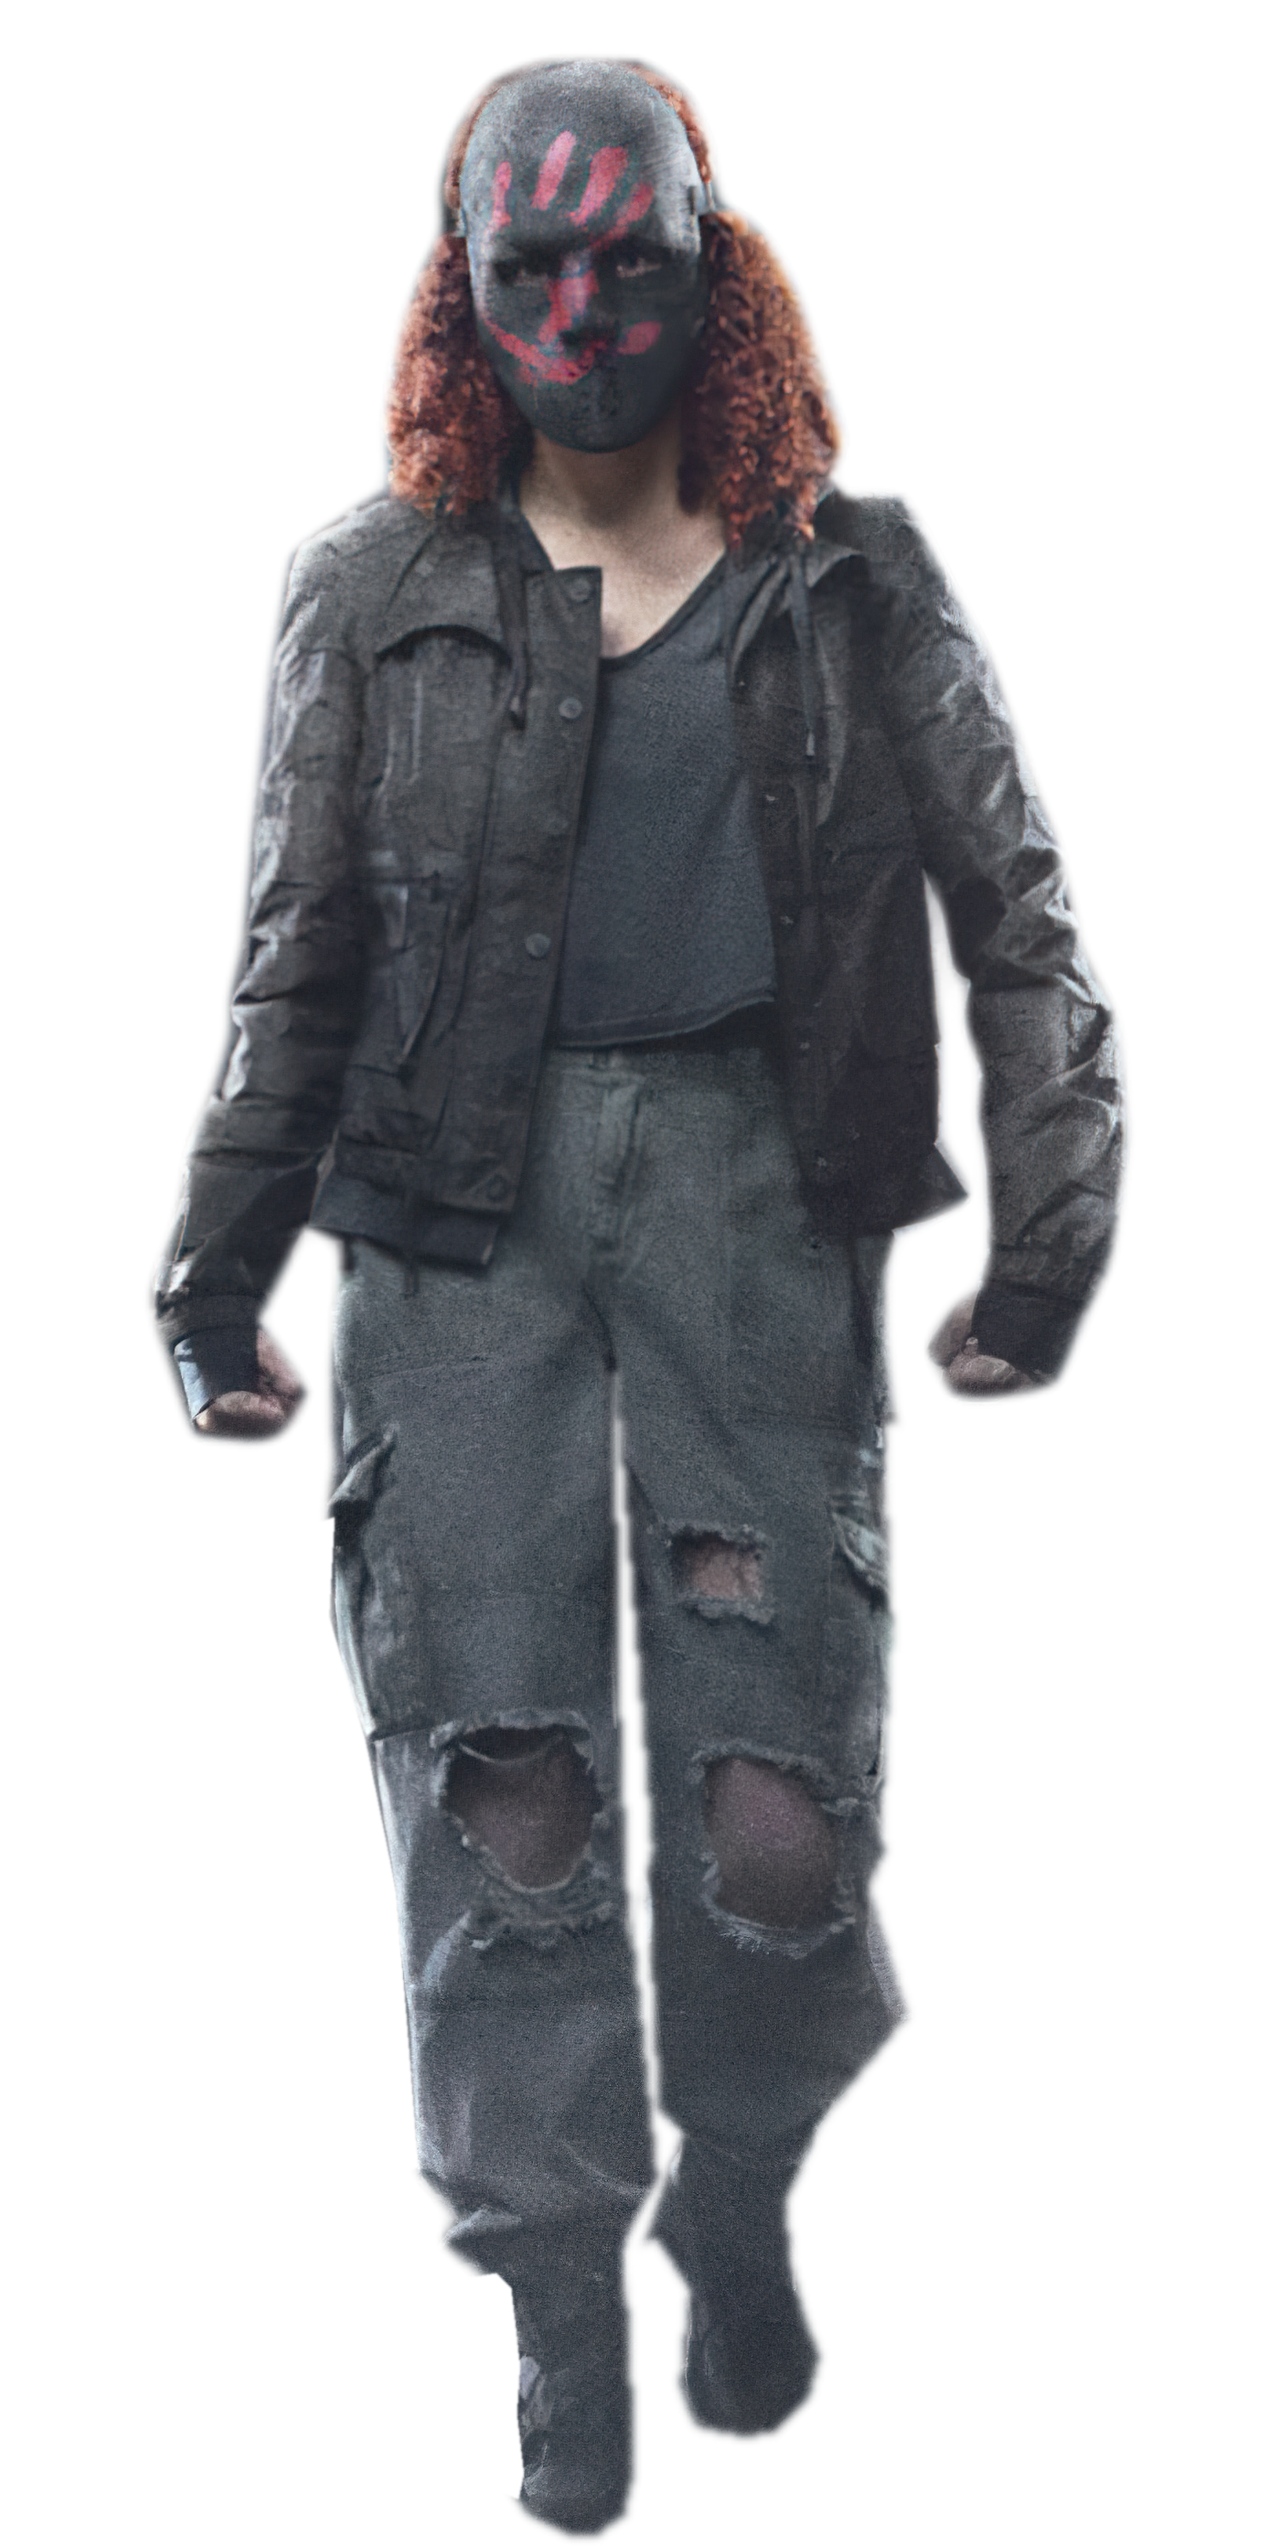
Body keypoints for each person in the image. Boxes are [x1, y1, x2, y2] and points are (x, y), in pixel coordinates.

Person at [141, 48, 1134, 2546]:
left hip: (755, 1217)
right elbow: (290, 953)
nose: (581, 315)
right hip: (449, 1240)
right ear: (455, 292)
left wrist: (1046, 1244)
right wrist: (211, 1270)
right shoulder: (359, 587)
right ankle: (564, 2299)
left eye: (633, 261)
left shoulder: (861, 572)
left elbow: (1023, 917)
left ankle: (749, 2185)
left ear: (725, 274)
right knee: (507, 1788)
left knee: (779, 1805)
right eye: (529, 266)